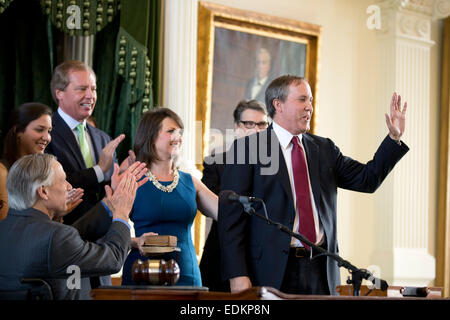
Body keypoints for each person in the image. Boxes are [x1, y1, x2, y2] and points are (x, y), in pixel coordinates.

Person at [218, 75, 409, 295]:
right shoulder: (247, 149)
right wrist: (237, 275)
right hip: (270, 271)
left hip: (322, 269)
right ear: (278, 105)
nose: (310, 107)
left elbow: (367, 179)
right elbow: (231, 221)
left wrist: (393, 138)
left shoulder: (324, 149)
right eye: (302, 100)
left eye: (310, 100)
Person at [0, 153, 145, 300]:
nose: (69, 186)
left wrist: (109, 204)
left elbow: (69, 245)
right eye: (63, 180)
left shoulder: (5, 228)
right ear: (43, 191)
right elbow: (113, 259)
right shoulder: (55, 237)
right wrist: (121, 213)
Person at [121, 107, 218, 287]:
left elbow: (226, 213)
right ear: (151, 135)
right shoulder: (132, 180)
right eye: (171, 131)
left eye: (180, 133)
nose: (178, 137)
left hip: (187, 275)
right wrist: (135, 241)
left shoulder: (191, 182)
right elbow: (107, 233)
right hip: (144, 274)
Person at [46, 60, 129, 225]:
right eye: (82, 89)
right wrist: (99, 170)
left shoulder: (103, 138)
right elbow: (53, 187)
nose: (91, 96)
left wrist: (122, 176)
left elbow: (107, 190)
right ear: (59, 93)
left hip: (104, 236)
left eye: (93, 89)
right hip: (65, 234)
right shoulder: (47, 134)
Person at [199, 99, 268, 291]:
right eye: (249, 124)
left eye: (262, 124)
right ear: (237, 127)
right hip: (223, 255)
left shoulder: (276, 166)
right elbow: (212, 208)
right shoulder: (216, 162)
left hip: (266, 257)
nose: (256, 130)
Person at [0, 103, 83, 222]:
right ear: (18, 131)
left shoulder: (42, 170)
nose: (47, 138)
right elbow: (7, 228)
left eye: (49, 131)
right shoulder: (2, 172)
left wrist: (57, 213)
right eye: (39, 130)